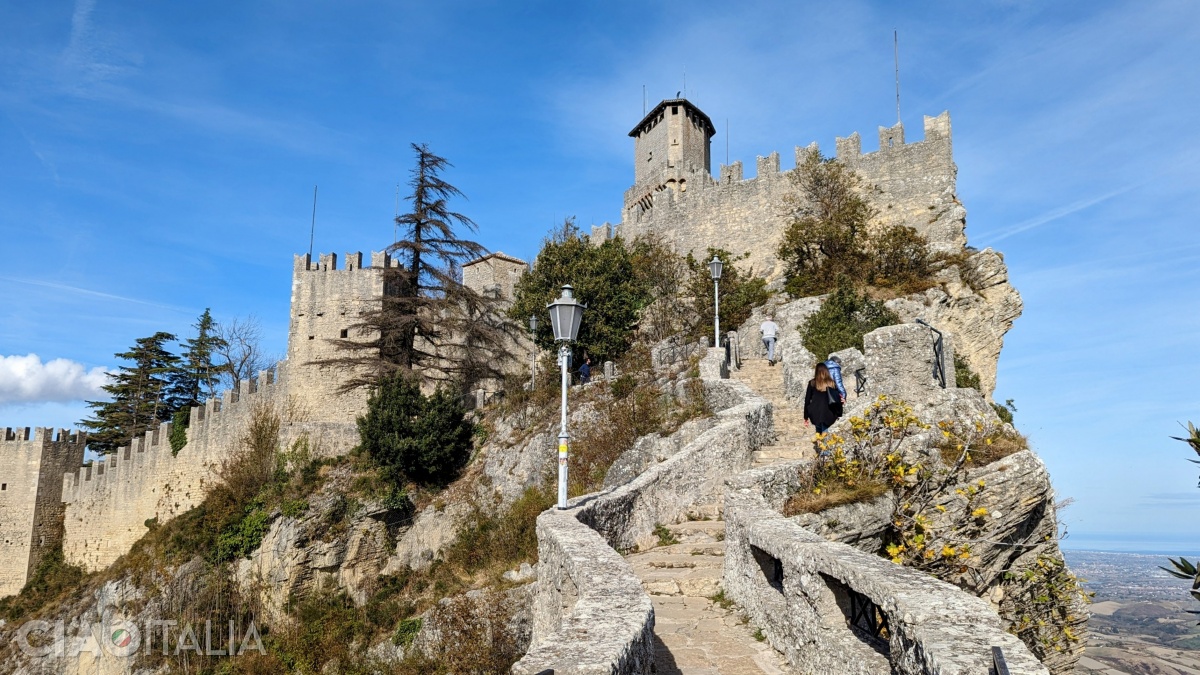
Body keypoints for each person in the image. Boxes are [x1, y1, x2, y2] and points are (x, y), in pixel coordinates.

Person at [804, 362, 844, 434]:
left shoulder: (812, 383)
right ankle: (822, 444)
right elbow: (837, 398)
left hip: (815, 412)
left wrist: (806, 417)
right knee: (825, 433)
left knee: (818, 431)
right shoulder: (832, 383)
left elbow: (807, 400)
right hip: (828, 412)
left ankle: (819, 443)